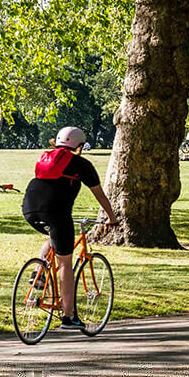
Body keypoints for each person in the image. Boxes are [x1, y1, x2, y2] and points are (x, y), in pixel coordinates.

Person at [21, 126, 120, 330]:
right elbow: (100, 194)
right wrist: (112, 218)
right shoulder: (81, 164)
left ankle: (39, 274)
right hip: (56, 212)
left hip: (30, 208)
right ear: (80, 146)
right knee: (65, 263)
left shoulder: (46, 157)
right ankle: (69, 317)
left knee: (52, 237)